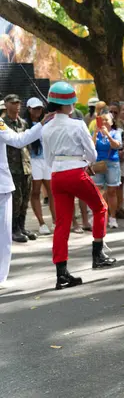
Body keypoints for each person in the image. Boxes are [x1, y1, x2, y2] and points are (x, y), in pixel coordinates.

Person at [41, 82, 116, 290]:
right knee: (100, 207)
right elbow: (92, 154)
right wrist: (83, 162)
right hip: (76, 172)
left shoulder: (46, 128)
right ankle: (98, 253)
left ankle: (61, 273)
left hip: (56, 175)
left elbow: (48, 159)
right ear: (70, 104)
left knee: (62, 224)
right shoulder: (77, 124)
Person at [0, 111, 48, 283]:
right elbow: (18, 141)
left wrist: (42, 124)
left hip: (2, 186)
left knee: (4, 236)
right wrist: (42, 124)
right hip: (2, 186)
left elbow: (18, 140)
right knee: (3, 236)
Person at [3, 94, 37, 243]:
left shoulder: (23, 123)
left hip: (25, 166)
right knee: (15, 201)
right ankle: (14, 229)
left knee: (24, 199)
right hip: (11, 168)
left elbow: (27, 143)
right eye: (13, 103)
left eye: (18, 103)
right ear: (6, 105)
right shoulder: (3, 123)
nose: (16, 105)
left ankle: (22, 227)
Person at [25, 97, 55, 235]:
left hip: (47, 159)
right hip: (33, 160)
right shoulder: (25, 123)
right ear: (29, 109)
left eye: (39, 108)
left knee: (52, 192)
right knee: (36, 192)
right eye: (34, 108)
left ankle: (56, 221)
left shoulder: (48, 122)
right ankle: (42, 223)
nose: (38, 110)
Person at [91, 110, 123, 229]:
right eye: (102, 119)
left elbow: (117, 145)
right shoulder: (96, 133)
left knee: (112, 191)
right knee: (98, 191)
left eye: (106, 119)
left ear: (112, 121)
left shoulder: (116, 132)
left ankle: (112, 217)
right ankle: (99, 216)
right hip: (99, 163)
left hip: (112, 163)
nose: (104, 122)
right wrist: (95, 133)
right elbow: (91, 147)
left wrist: (108, 135)